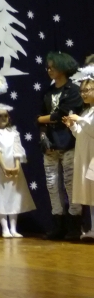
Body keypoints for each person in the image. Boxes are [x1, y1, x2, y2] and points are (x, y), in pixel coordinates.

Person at [37, 52, 83, 240]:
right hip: (50, 145)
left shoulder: (73, 90)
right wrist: (42, 134)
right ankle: (58, 224)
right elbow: (41, 116)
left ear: (63, 68)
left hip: (69, 143)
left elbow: (62, 114)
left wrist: (42, 119)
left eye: (53, 67)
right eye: (48, 67)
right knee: (52, 184)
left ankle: (74, 226)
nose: (49, 70)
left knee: (71, 184)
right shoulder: (48, 92)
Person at [0, 104, 36, 238]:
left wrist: (17, 167)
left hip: (14, 169)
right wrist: (4, 167)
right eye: (0, 116)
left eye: (5, 115)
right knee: (0, 196)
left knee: (14, 196)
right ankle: (5, 228)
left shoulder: (14, 133)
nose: (3, 118)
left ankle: (13, 228)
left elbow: (17, 150)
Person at [64, 66, 94, 240]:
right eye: (81, 91)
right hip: (86, 154)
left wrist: (80, 120)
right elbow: (82, 135)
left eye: (87, 90)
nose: (83, 94)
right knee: (91, 193)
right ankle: (93, 228)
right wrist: (73, 126)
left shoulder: (87, 114)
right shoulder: (87, 111)